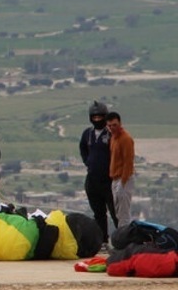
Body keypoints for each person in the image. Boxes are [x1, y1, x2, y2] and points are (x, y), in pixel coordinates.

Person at [79, 101, 117, 246]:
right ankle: (102, 241)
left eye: (100, 117)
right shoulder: (87, 134)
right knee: (99, 213)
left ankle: (121, 241)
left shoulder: (111, 134)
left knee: (115, 213)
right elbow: (83, 149)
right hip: (92, 180)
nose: (97, 120)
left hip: (109, 180)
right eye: (94, 117)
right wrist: (88, 162)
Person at [107, 111, 135, 227]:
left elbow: (128, 161)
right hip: (115, 178)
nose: (112, 128)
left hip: (124, 179)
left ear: (120, 124)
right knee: (118, 212)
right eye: (109, 126)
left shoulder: (126, 139)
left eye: (114, 125)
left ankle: (124, 239)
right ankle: (122, 236)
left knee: (123, 213)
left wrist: (123, 181)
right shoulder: (113, 138)